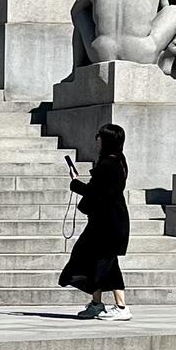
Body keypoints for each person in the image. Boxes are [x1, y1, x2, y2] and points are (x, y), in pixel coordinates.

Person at [60, 123, 132, 320]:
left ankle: (121, 307)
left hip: (107, 224)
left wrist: (75, 182)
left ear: (106, 140)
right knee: (97, 263)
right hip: (108, 222)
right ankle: (97, 303)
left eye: (99, 136)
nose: (97, 140)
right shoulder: (118, 161)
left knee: (103, 263)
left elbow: (97, 193)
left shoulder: (108, 165)